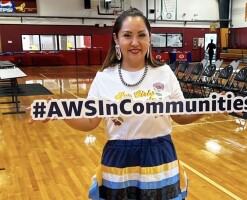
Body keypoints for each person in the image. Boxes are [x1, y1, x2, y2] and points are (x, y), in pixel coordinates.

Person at [29, 8, 203, 200]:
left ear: (149, 38)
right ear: (116, 39)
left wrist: (211, 106)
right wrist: (60, 111)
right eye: (127, 35)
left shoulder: (165, 73)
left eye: (141, 35)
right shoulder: (104, 77)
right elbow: (89, 121)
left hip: (159, 156)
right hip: (119, 157)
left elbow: (181, 115)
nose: (135, 42)